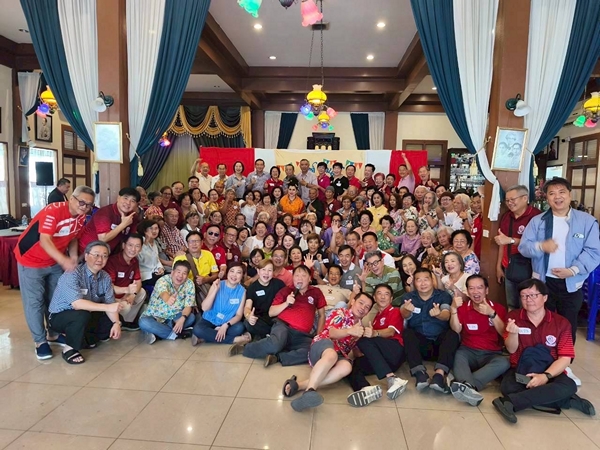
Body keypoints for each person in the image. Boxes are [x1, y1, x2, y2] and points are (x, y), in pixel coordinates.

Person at [492, 279, 596, 423]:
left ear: (545, 297)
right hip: (522, 370)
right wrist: (513, 334)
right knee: (508, 387)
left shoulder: (561, 323)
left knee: (569, 385)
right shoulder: (513, 318)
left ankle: (509, 402)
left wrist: (545, 376)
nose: (529, 299)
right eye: (524, 296)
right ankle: (567, 400)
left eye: (533, 295)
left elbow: (565, 358)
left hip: (549, 370)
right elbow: (511, 349)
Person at [15, 185, 95, 360]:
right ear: (71, 199)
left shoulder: (81, 217)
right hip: (31, 260)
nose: (85, 207)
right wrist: (64, 260)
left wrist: (73, 257)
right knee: (35, 302)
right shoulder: (53, 211)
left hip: (54, 260)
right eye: (82, 202)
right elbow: (44, 240)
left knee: (56, 299)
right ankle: (40, 341)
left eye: (89, 205)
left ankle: (53, 333)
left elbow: (73, 237)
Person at [519, 177, 600, 343]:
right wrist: (541, 246)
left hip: (571, 283)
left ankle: (565, 357)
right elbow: (524, 248)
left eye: (562, 192)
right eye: (552, 193)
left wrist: (572, 270)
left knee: (567, 326)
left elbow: (593, 251)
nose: (557, 197)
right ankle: (542, 355)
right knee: (541, 323)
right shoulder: (537, 221)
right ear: (546, 198)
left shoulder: (587, 221)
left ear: (570, 195)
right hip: (543, 282)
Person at [281, 292, 374, 412]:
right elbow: (331, 333)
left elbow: (356, 352)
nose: (363, 308)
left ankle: (299, 385)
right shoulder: (341, 312)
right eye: (361, 303)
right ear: (353, 302)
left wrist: (370, 337)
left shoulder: (360, 328)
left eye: (367, 307)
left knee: (347, 367)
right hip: (323, 344)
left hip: (339, 354)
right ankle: (309, 391)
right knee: (331, 355)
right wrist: (349, 331)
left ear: (368, 312)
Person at [229, 265, 326, 366]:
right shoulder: (286, 291)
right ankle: (245, 349)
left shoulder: (316, 292)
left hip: (302, 334)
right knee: (275, 344)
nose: (300, 278)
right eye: (297, 275)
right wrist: (286, 303)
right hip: (283, 326)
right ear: (293, 278)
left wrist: (318, 335)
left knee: (314, 350)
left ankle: (278, 357)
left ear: (310, 278)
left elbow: (322, 315)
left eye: (303, 275)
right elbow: (271, 312)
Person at [48, 241, 122, 364]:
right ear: (86, 256)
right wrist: (108, 307)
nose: (100, 259)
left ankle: (83, 338)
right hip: (60, 316)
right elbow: (77, 304)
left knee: (109, 321)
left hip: (86, 314)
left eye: (104, 256)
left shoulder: (105, 277)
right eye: (96, 255)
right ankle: (69, 349)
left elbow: (110, 303)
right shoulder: (73, 273)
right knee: (82, 314)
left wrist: (116, 323)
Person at [449, 275, 509, 406]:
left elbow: (504, 333)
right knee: (457, 355)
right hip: (468, 351)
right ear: (467, 291)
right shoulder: (463, 308)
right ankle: (469, 386)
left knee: (504, 362)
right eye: (471, 288)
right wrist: (453, 309)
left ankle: (465, 385)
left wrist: (492, 314)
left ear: (486, 290)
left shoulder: (498, 308)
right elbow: (456, 329)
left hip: (492, 353)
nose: (475, 292)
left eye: (479, 287)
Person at [346, 284, 408, 407]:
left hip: (395, 351)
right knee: (353, 365)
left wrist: (374, 333)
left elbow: (390, 332)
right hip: (384, 361)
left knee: (364, 338)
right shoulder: (375, 318)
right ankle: (365, 389)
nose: (383, 297)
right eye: (379, 293)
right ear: (375, 297)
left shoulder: (394, 311)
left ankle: (392, 379)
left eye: (386, 294)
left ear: (391, 298)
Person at [400, 268, 459, 392]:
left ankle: (439, 375)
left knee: (452, 334)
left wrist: (439, 314)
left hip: (440, 345)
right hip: (420, 345)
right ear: (414, 283)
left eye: (426, 279)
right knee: (407, 333)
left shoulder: (443, 296)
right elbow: (404, 314)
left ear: (432, 280)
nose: (423, 283)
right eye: (419, 280)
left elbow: (446, 314)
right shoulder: (408, 297)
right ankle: (420, 374)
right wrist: (406, 310)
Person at [494, 185, 541, 310]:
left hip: (531, 268)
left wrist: (511, 240)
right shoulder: (506, 216)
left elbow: (539, 245)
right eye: (507, 200)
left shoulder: (537, 217)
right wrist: (499, 266)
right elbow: (502, 242)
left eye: (512, 199)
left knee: (529, 306)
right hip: (509, 266)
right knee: (511, 304)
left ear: (525, 198)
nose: (510, 203)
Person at [139, 260, 196, 344]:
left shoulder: (189, 284)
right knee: (143, 322)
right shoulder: (163, 280)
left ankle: (157, 333)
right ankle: (177, 334)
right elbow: (163, 293)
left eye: (184, 273)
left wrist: (182, 318)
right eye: (178, 272)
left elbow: (188, 306)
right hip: (155, 317)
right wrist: (168, 299)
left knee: (191, 317)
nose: (180, 276)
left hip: (173, 318)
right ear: (172, 272)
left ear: (187, 276)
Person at [192, 263, 251, 345]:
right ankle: (234, 340)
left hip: (227, 321)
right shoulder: (218, 284)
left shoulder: (242, 291)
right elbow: (204, 308)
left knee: (239, 328)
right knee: (197, 329)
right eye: (232, 271)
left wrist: (225, 325)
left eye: (238, 272)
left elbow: (238, 315)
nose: (234, 275)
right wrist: (215, 290)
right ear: (227, 272)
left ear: (242, 276)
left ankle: (206, 337)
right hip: (210, 319)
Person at [103, 234, 147, 331]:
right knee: (125, 307)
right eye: (130, 245)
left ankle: (127, 322)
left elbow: (138, 281)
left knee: (142, 292)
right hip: (112, 297)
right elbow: (109, 287)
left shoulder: (134, 261)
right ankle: (117, 322)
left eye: (137, 246)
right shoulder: (113, 262)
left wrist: (133, 294)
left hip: (126, 294)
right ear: (123, 245)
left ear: (140, 248)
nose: (133, 249)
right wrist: (126, 292)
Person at [78, 187, 141, 255]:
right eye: (125, 198)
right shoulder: (104, 213)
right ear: (118, 198)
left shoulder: (132, 217)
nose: (128, 203)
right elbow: (103, 239)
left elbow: (131, 237)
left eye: (133, 201)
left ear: (136, 205)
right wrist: (123, 225)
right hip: (88, 252)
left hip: (109, 252)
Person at [240, 259, 286, 339]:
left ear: (273, 272)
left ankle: (265, 336)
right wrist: (248, 316)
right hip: (260, 320)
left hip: (277, 318)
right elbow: (247, 307)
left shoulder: (279, 284)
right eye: (263, 270)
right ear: (258, 271)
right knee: (248, 323)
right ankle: (271, 335)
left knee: (283, 325)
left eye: (269, 270)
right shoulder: (252, 288)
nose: (266, 273)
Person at [173, 231, 218, 301]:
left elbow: (215, 274)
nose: (194, 244)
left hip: (204, 288)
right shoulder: (179, 258)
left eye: (197, 241)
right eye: (191, 241)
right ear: (187, 244)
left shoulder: (208, 254)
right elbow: (174, 279)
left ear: (202, 242)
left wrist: (206, 279)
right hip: (185, 291)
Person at [137, 219, 166, 287]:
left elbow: (157, 260)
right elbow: (140, 260)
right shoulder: (140, 242)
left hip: (155, 273)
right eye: (151, 228)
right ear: (145, 230)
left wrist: (160, 268)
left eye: (156, 228)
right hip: (145, 275)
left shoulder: (154, 242)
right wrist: (146, 243)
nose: (154, 231)